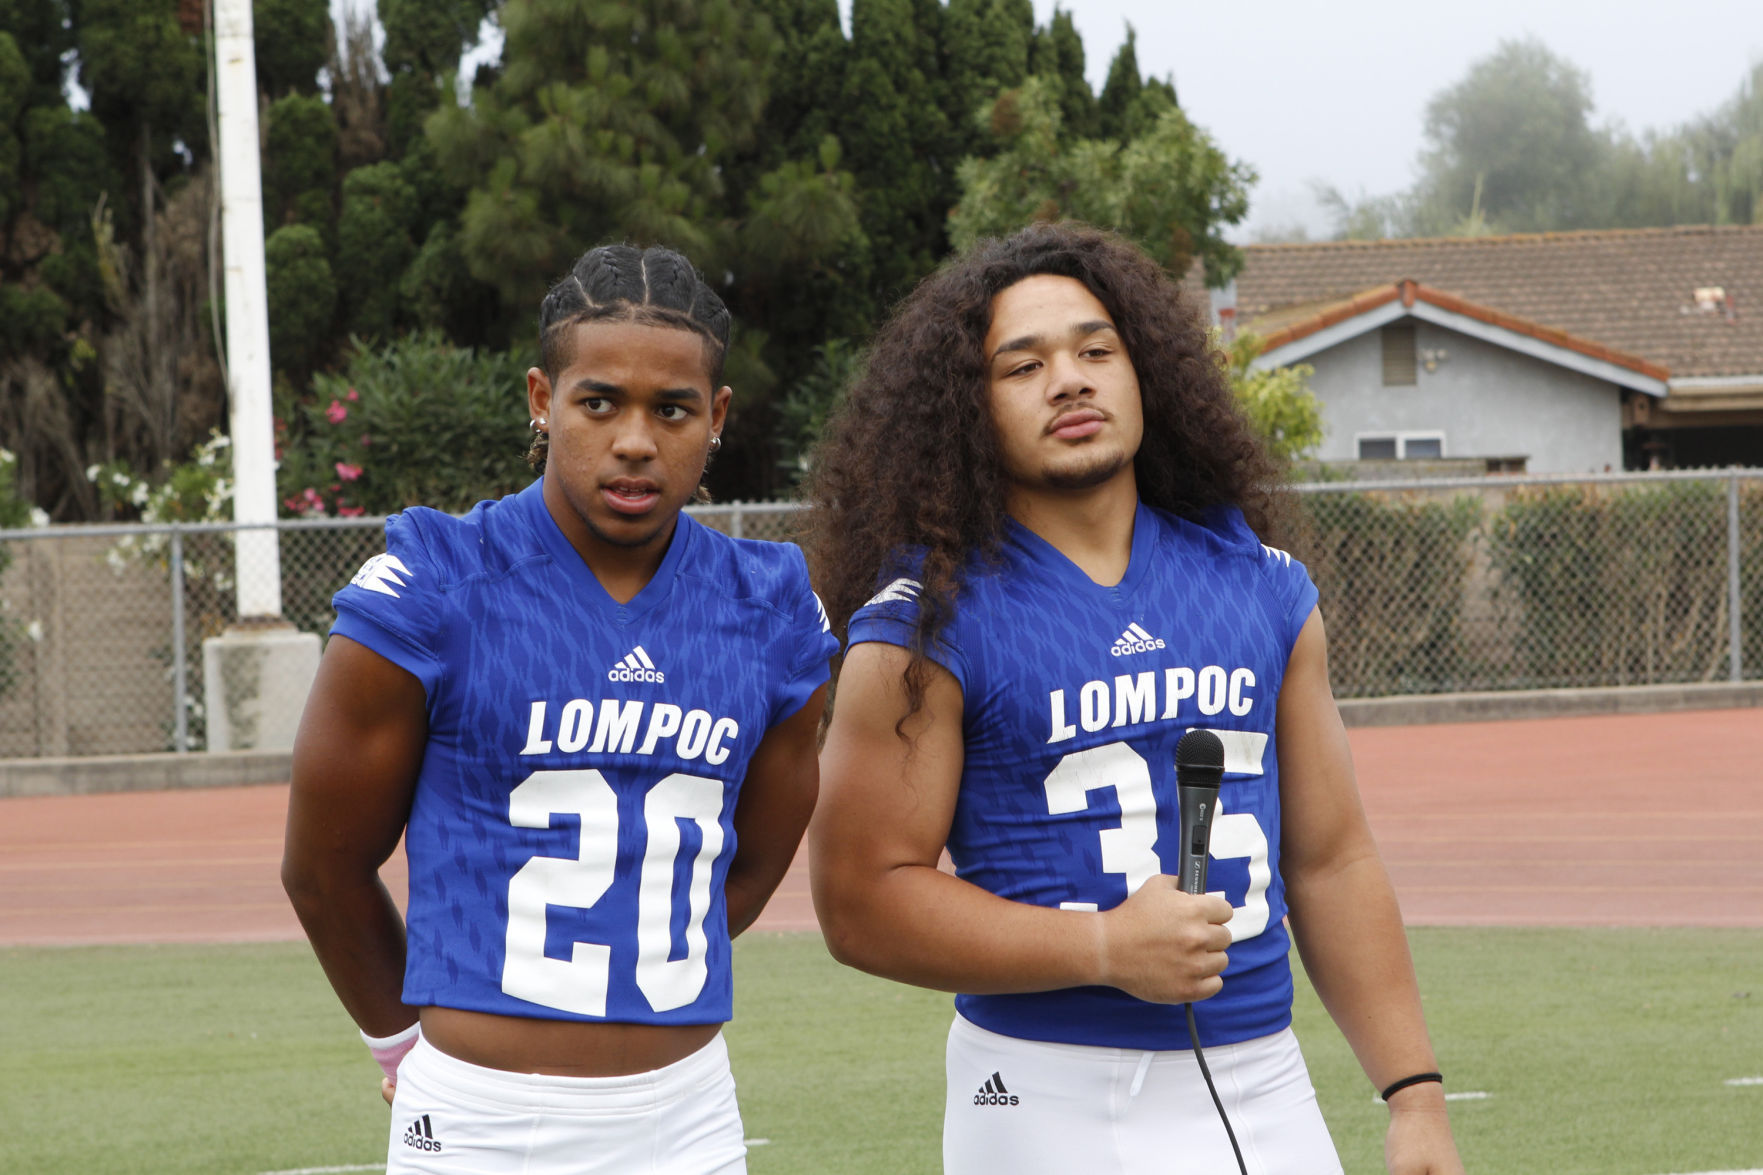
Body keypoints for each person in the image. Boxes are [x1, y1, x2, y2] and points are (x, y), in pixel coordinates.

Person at [803, 222, 1463, 1175]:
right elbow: (859, 901)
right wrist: (1105, 947)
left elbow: (1329, 860)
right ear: (965, 410)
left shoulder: (1261, 585)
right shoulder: (923, 624)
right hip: (1038, 1086)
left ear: (1145, 369)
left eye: (1094, 350)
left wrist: (1413, 1093)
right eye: (1020, 366)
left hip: (1259, 1076)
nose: (1069, 379)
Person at [282, 243, 836, 1175]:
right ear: (543, 400)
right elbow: (322, 868)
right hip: (480, 1114)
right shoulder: (434, 583)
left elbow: (730, 883)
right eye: (599, 401)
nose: (634, 440)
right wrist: (400, 1043)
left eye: (672, 409)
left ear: (718, 417)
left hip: (686, 1111)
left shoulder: (773, 607)